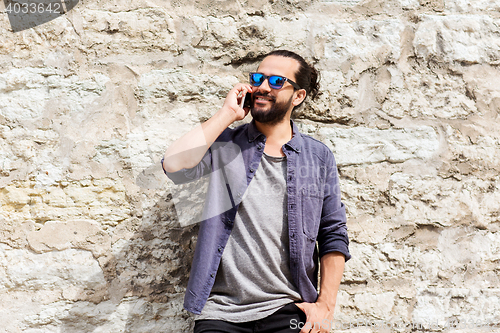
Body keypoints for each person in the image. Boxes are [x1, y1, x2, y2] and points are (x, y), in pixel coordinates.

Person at [161, 50, 350, 333]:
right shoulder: (227, 145)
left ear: (298, 96)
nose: (262, 87)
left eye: (276, 81)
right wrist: (227, 114)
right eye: (258, 78)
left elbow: (333, 233)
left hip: (288, 307)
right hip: (221, 311)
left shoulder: (318, 157)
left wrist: (325, 307)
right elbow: (173, 165)